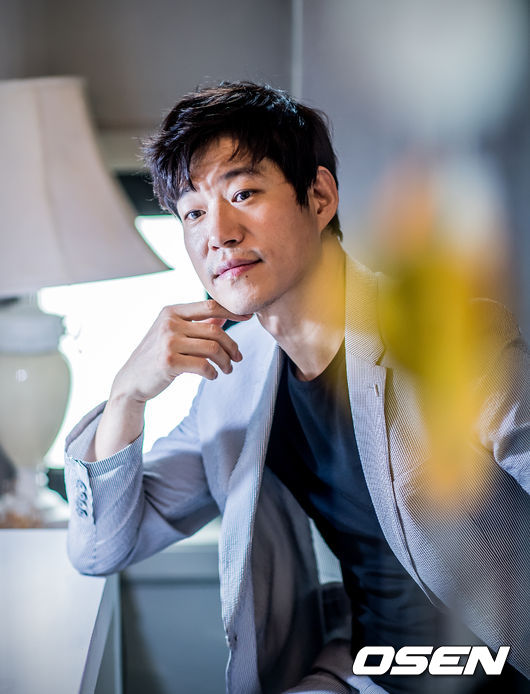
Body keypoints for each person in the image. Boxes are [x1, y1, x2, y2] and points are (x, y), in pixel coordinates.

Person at [64, 82, 530, 694]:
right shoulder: (234, 384)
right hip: (364, 674)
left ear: (320, 197)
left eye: (244, 193)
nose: (219, 233)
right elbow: (101, 549)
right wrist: (127, 395)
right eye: (193, 212)